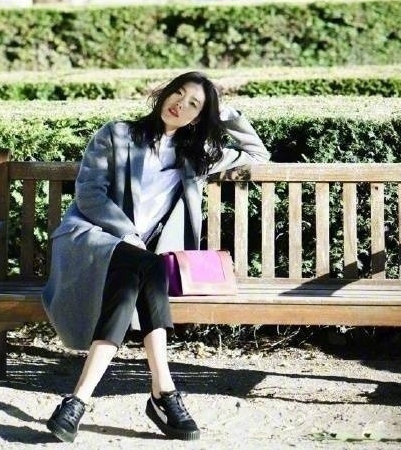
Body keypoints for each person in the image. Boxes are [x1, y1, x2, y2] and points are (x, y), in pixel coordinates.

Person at [42, 70, 270, 443]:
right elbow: (89, 194)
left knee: (142, 270)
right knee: (147, 265)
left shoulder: (196, 155)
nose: (180, 104)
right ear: (165, 94)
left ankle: (78, 400)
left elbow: (258, 153)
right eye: (178, 93)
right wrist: (129, 235)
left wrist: (223, 112)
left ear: (198, 117)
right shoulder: (116, 134)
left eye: (194, 104)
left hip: (138, 261)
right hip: (91, 241)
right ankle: (164, 392)